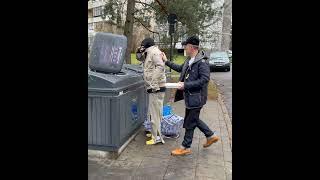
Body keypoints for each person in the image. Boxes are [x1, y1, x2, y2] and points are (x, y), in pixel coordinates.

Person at [161, 36, 219, 156]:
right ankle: (210, 136)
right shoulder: (189, 60)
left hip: (197, 98)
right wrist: (166, 61)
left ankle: (185, 147)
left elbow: (204, 80)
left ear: (192, 47)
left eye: (185, 46)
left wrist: (186, 85)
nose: (184, 48)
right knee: (193, 119)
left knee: (190, 122)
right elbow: (180, 69)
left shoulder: (202, 62)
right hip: (190, 98)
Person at [136, 37, 166, 145]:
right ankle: (153, 132)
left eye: (143, 46)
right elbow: (140, 59)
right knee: (152, 112)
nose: (141, 48)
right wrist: (138, 52)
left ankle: (156, 137)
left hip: (156, 87)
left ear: (147, 45)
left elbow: (160, 66)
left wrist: (153, 81)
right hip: (153, 87)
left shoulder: (154, 53)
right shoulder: (149, 52)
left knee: (155, 113)